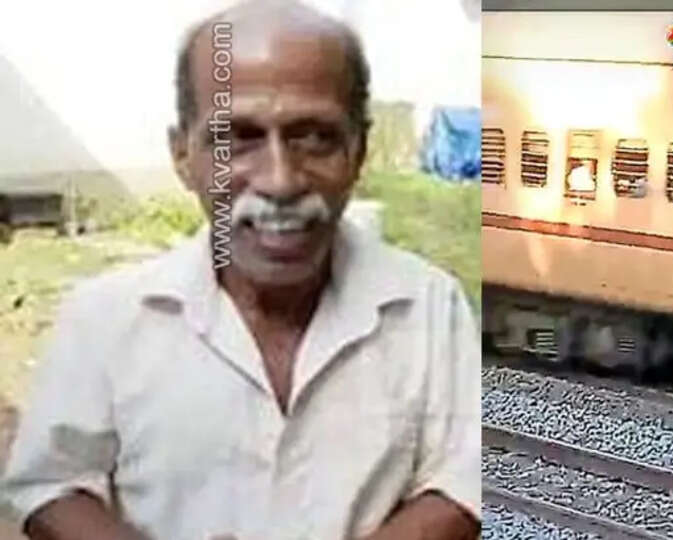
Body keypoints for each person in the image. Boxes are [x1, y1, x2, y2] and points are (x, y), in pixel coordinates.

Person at [0, 1, 481, 539]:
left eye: (315, 137)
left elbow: (464, 480)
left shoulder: (430, 306)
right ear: (182, 154)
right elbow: (49, 485)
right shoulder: (103, 319)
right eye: (235, 139)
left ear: (359, 149)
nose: (279, 181)